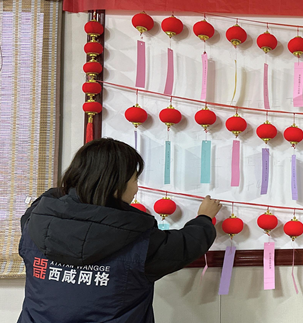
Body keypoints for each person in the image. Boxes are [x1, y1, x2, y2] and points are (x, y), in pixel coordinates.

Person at [17, 138, 222, 323]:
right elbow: (187, 244)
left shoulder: (34, 223)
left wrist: (72, 189)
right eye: (135, 180)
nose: (137, 188)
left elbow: (46, 199)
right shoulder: (141, 241)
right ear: (115, 186)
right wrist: (204, 218)